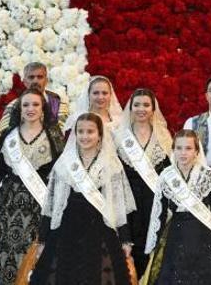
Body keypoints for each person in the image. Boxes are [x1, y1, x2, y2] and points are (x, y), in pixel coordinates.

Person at [27, 113, 137, 284]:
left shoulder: (112, 164)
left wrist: (125, 240)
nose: (85, 136)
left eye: (90, 132)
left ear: (100, 135)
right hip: (67, 230)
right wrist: (42, 239)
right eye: (81, 131)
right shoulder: (64, 163)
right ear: (75, 134)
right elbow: (51, 204)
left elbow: (118, 206)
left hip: (100, 232)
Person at [141, 130, 211, 284]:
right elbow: (160, 214)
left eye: (188, 148)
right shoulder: (166, 176)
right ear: (173, 150)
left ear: (197, 151)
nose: (183, 153)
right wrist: (155, 246)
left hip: (203, 233)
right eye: (179, 148)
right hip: (176, 233)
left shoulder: (207, 175)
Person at [0, 87, 65, 285]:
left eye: (35, 104)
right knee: (4, 255)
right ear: (19, 109)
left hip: (40, 207)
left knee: (33, 257)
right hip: (7, 205)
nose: (30, 108)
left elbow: (62, 176)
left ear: (43, 108)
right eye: (26, 105)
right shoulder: (8, 136)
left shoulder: (54, 136)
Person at [112, 88, 173, 277]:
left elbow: (171, 171)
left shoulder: (164, 136)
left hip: (155, 201)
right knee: (130, 248)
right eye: (136, 105)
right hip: (128, 202)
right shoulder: (119, 137)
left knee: (154, 245)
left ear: (153, 109)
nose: (141, 109)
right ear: (129, 109)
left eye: (146, 105)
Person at [0, 62, 69, 131]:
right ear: (24, 82)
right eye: (31, 77)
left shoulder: (58, 103)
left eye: (40, 77)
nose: (35, 81)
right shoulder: (13, 106)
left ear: (46, 81)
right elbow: (5, 136)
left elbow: (64, 134)